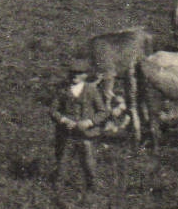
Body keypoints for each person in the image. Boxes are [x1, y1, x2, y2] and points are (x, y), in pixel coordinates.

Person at [49, 58, 126, 191]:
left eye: (79, 73)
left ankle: (93, 190)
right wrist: (64, 120)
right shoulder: (62, 90)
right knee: (62, 163)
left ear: (85, 75)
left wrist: (89, 122)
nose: (75, 76)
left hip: (87, 135)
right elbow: (53, 111)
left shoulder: (91, 90)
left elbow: (103, 112)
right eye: (72, 72)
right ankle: (57, 189)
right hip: (67, 133)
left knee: (89, 164)